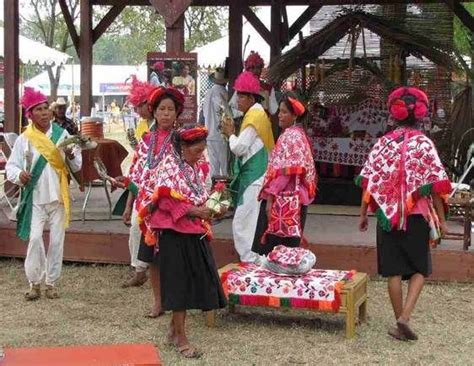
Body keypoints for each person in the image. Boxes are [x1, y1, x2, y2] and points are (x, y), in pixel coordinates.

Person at [356, 87, 451, 341]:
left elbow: (369, 182)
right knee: (420, 268)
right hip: (417, 216)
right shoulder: (424, 144)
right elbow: (437, 186)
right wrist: (442, 220)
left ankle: (400, 322)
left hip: (387, 217)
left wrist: (363, 214)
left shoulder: (382, 144)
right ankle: (404, 319)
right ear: (420, 115)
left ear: (394, 114)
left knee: (394, 272)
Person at [141, 126, 226, 359]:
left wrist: (215, 206)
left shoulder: (194, 168)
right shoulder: (168, 167)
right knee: (179, 284)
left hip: (193, 230)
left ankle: (173, 330)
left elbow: (200, 196)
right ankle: (180, 336)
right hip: (173, 233)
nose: (200, 155)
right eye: (196, 150)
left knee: (191, 281)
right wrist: (196, 211)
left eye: (202, 150)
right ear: (182, 147)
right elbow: (166, 201)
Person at [6, 87, 82, 300]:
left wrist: (70, 155)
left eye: (46, 108)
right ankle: (34, 282)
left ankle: (51, 283)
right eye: (38, 109)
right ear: (30, 114)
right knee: (35, 239)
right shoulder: (24, 138)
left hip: (58, 196)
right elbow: (12, 166)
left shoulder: (62, 134)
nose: (44, 112)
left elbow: (76, 165)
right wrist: (19, 174)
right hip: (35, 198)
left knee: (57, 241)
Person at [131, 86, 185, 317]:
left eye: (170, 109)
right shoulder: (146, 140)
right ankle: (158, 302)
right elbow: (136, 171)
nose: (165, 114)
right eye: (161, 109)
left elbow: (194, 168)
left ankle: (178, 302)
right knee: (153, 258)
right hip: (150, 208)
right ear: (153, 112)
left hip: (174, 207)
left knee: (174, 258)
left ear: (177, 113)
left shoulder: (183, 140)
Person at [252, 93, 317, 256]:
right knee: (289, 254)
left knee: (274, 253)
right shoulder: (297, 134)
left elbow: (285, 173)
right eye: (279, 111)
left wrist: (270, 199)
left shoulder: (290, 136)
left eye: (284, 112)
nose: (279, 115)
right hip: (294, 201)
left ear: (295, 115)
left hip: (282, 202)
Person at [221, 71, 274, 263]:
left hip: (255, 174)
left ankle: (249, 258)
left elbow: (239, 147)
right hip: (256, 173)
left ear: (251, 97)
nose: (237, 101)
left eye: (241, 96)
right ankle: (250, 257)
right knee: (248, 218)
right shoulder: (256, 113)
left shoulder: (255, 116)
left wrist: (230, 134)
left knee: (243, 220)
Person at [119, 77, 156, 288]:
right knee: (135, 225)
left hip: (158, 187)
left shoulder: (157, 128)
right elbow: (138, 166)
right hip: (142, 186)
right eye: (136, 106)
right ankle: (138, 269)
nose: (138, 110)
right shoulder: (143, 127)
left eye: (141, 105)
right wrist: (129, 202)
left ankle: (143, 268)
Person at [230, 51, 278, 117]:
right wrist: (242, 112)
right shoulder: (242, 87)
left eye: (258, 67)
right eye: (252, 68)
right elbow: (232, 106)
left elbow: (273, 110)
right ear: (247, 70)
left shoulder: (268, 88)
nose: (255, 71)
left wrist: (266, 98)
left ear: (261, 69)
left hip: (263, 123)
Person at [202, 67, 229, 177]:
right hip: (221, 135)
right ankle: (225, 191)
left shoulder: (208, 93)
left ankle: (214, 190)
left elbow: (204, 113)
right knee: (225, 166)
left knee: (214, 167)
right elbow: (225, 113)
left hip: (209, 132)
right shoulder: (224, 94)